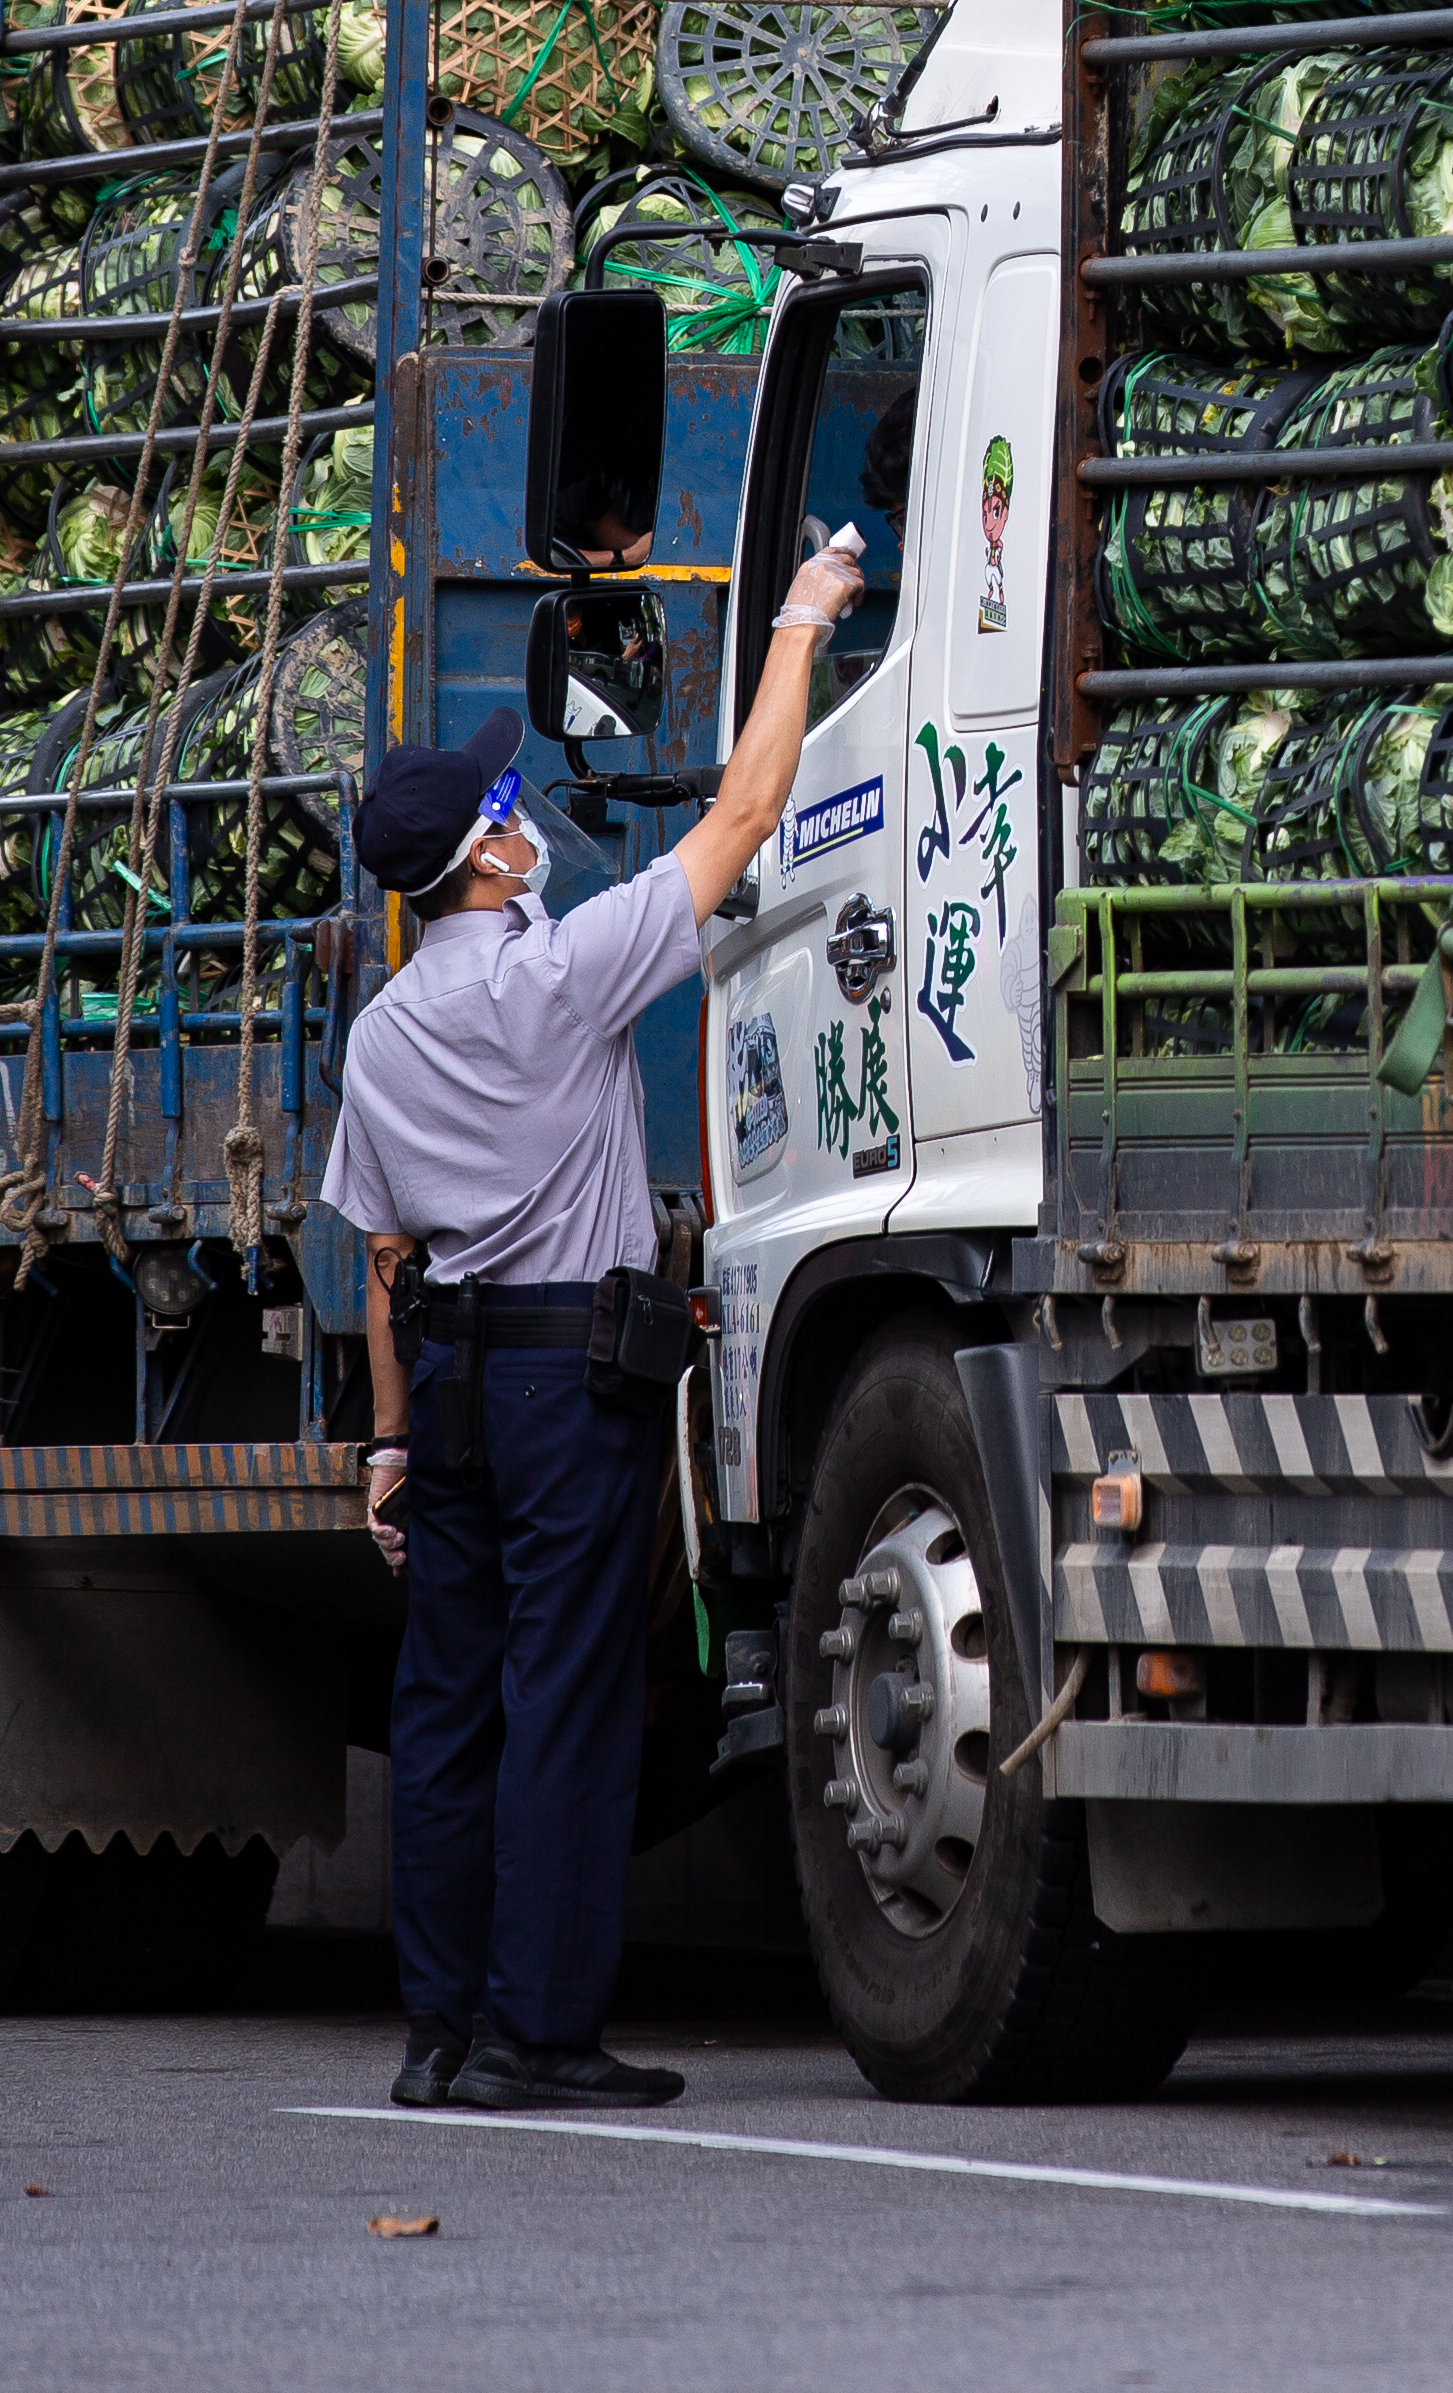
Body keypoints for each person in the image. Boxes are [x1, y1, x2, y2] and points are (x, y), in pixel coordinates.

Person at [331, 514, 874, 2113]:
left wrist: (385, 1447)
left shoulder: (378, 1037)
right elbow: (750, 811)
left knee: (446, 1702)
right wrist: (801, 618)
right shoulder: (551, 981)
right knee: (565, 1701)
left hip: (450, 1386)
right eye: (511, 808)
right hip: (573, 1382)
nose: (527, 818)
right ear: (489, 860)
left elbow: (380, 1257)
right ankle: (536, 2037)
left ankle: (439, 2036)